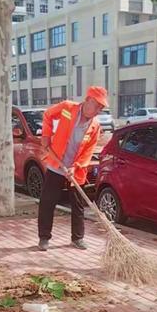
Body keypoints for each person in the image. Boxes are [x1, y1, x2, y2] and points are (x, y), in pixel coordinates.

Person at [38, 86, 108, 251]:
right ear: (88, 100)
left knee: (77, 204)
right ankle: (44, 238)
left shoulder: (95, 126)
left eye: (102, 108)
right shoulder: (67, 108)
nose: (99, 110)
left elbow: (88, 152)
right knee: (48, 201)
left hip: (76, 170)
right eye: (98, 105)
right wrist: (46, 136)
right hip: (57, 163)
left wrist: (75, 167)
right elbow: (48, 115)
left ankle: (78, 238)